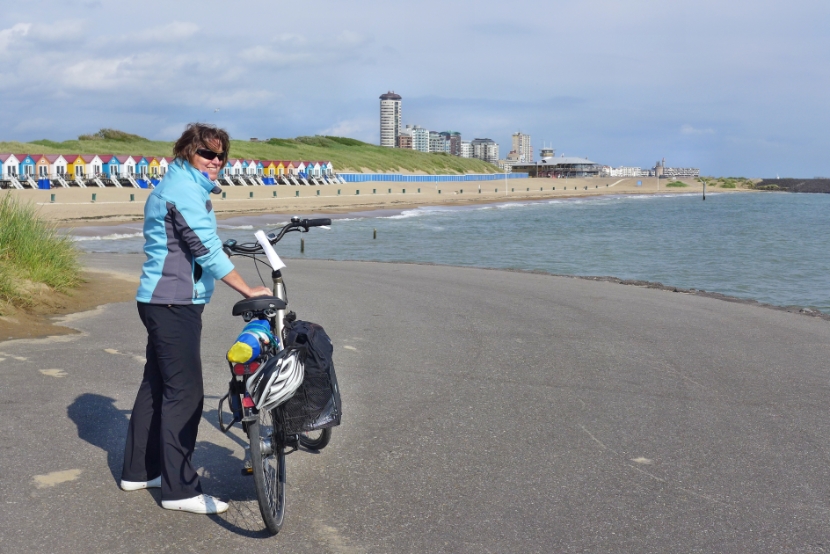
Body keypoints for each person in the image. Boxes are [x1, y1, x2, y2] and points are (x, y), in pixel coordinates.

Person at [120, 123, 271, 514]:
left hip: (160, 300)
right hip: (173, 303)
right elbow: (204, 249)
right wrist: (248, 290)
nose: (216, 161)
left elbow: (189, 242)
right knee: (185, 393)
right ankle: (180, 491)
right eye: (207, 153)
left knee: (157, 385)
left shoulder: (179, 185)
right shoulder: (184, 190)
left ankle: (141, 471)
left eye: (221, 155)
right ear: (187, 151)